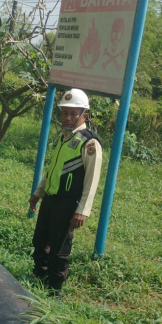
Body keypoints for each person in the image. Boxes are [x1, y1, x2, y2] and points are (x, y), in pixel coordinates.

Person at [28, 88, 102, 295]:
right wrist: (38, 193)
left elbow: (92, 181)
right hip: (50, 199)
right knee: (40, 240)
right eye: (64, 113)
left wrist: (82, 211)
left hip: (68, 203)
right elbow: (52, 169)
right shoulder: (62, 137)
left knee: (60, 247)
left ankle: (54, 289)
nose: (67, 118)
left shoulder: (89, 142)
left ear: (83, 116)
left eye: (73, 113)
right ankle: (39, 275)